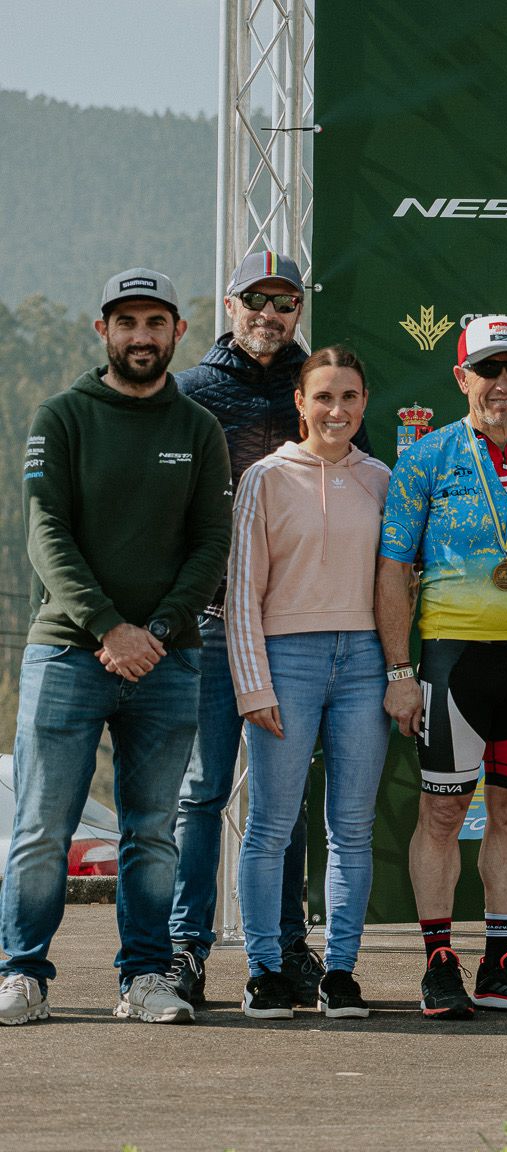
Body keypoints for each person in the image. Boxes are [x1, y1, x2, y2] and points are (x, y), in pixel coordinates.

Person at [0, 268, 228, 1026]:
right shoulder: (61, 417)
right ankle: (22, 973)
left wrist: (154, 634)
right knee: (40, 828)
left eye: (154, 322)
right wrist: (109, 628)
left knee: (151, 833)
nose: (140, 336)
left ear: (176, 333)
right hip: (68, 653)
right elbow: (45, 537)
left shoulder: (196, 428)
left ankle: (142, 978)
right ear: (102, 330)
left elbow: (210, 546)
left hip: (167, 662)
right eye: (125, 322)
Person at [172, 251, 360, 1008]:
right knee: (203, 793)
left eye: (284, 304)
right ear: (229, 302)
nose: (269, 315)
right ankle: (185, 949)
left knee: (280, 805)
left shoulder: (314, 395)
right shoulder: (188, 393)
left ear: (297, 313)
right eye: (256, 300)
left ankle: (285, 947)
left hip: (289, 634)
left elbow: (365, 492)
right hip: (209, 626)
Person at [376, 315, 507, 1020]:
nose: (503, 384)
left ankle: (501, 962)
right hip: (452, 661)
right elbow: (394, 569)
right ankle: (438, 961)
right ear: (461, 378)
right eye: (488, 370)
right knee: (442, 811)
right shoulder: (424, 459)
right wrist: (401, 671)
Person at [225, 345, 390, 1020]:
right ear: (299, 403)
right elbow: (242, 591)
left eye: (349, 397)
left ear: (364, 404)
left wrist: (396, 673)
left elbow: (398, 584)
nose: (336, 409)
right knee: (268, 826)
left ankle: (342, 972)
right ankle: (266, 970)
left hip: (364, 664)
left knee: (351, 829)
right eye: (323, 396)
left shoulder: (382, 478)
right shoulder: (265, 477)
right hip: (284, 662)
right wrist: (253, 685)